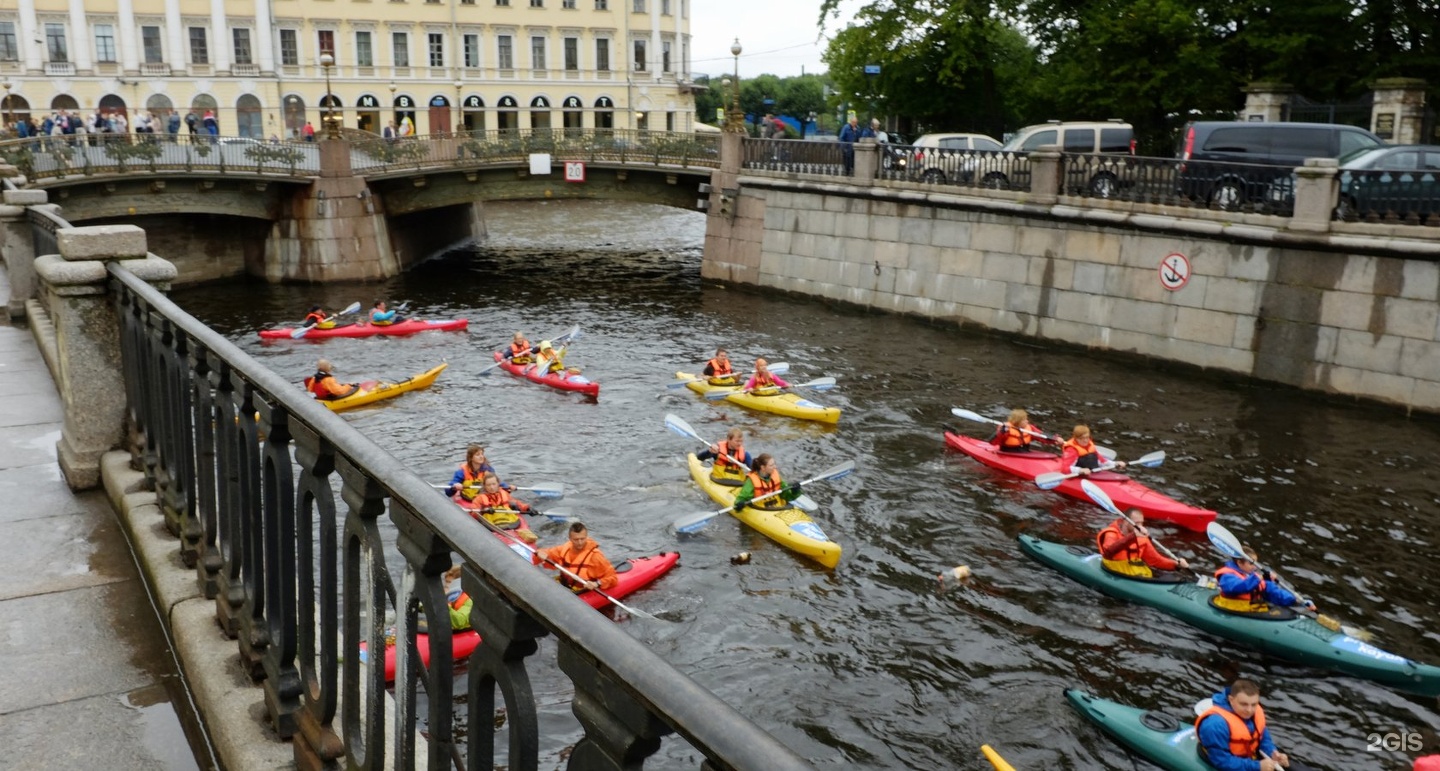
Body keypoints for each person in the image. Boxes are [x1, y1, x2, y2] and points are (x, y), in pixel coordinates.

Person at [1195, 679, 1294, 771]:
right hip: (1224, 762)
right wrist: (1257, 766)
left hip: (1247, 758)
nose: (1249, 710)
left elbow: (1263, 738)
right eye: (1244, 704)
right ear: (1231, 700)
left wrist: (1272, 753)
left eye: (1254, 704)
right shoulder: (1215, 725)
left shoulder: (1254, 713)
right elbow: (1222, 761)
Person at [1214, 546, 1314, 615]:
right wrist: (1257, 578)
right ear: (1240, 563)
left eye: (1255, 563)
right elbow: (1236, 587)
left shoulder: (1252, 576)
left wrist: (1297, 601)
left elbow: (1274, 592)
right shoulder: (1227, 576)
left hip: (1252, 611)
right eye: (1251, 563)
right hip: (1231, 610)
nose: (1254, 567)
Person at [1097, 508, 1188, 578]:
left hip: (1135, 573)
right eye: (1136, 523)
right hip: (1115, 571)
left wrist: (1176, 564)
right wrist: (1133, 536)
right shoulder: (1111, 534)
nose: (1140, 526)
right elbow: (1108, 552)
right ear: (1125, 521)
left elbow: (1156, 560)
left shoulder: (1141, 538)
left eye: (1142, 523)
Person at [536, 522, 618, 592]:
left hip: (582, 590)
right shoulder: (564, 550)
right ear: (570, 539)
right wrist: (541, 553)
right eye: (576, 539)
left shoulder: (596, 557)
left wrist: (597, 583)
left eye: (582, 539)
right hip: (564, 586)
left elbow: (613, 578)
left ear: (586, 537)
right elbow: (546, 552)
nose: (580, 542)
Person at [455, 472, 530, 528]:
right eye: (488, 485)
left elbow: (517, 503)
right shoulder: (479, 498)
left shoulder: (504, 493)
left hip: (510, 522)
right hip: (491, 524)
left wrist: (527, 508)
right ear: (484, 486)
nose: (492, 487)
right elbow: (473, 512)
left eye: (494, 484)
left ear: (498, 484)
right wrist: (483, 510)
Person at [731, 453, 803, 511]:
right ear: (763, 468)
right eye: (771, 465)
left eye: (774, 464)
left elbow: (788, 497)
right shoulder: (751, 481)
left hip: (778, 508)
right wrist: (739, 505)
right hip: (761, 509)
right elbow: (740, 500)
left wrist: (795, 491)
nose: (775, 467)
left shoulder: (776, 477)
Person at [443, 444, 512, 497]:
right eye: (477, 455)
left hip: (484, 498)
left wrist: (507, 487)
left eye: (482, 454)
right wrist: (454, 486)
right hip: (468, 498)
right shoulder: (462, 472)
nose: (481, 456)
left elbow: (497, 483)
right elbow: (448, 491)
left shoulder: (488, 470)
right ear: (471, 458)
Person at [1060, 424, 1126, 475]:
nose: (1085, 440)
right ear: (1076, 438)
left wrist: (1115, 464)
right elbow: (1065, 469)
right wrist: (1080, 470)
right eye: (1082, 438)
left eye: (1087, 437)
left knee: (1092, 456)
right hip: (1079, 475)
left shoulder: (1089, 446)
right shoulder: (1071, 450)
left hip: (1092, 472)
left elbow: (1102, 461)